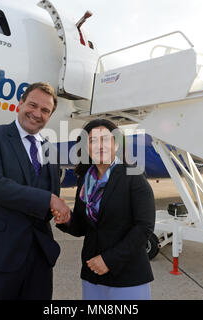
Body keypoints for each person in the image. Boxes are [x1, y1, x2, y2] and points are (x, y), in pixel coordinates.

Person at [0, 82, 70, 300]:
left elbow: (50, 197)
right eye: (32, 105)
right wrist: (48, 199)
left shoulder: (51, 150)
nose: (37, 113)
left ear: (50, 116)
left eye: (45, 110)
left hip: (39, 259)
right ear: (20, 104)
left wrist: (61, 213)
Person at [55, 119, 156, 300]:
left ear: (116, 144)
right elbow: (83, 227)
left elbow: (144, 228)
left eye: (105, 140)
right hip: (93, 273)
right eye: (93, 141)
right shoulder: (85, 180)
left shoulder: (134, 177)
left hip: (127, 276)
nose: (99, 146)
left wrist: (109, 260)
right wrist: (67, 219)